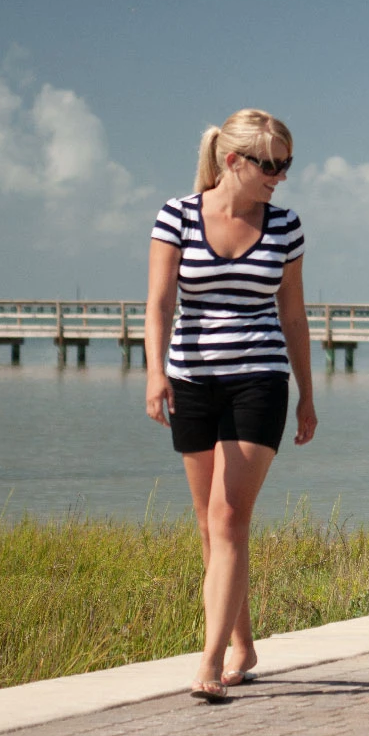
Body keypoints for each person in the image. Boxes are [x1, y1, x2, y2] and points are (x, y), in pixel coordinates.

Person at [145, 108, 317, 703]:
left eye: (287, 165)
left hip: (260, 380)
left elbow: (293, 316)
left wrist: (308, 397)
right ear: (232, 161)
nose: (281, 176)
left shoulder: (286, 226)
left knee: (228, 520)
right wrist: (154, 373)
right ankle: (244, 643)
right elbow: (160, 303)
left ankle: (211, 661)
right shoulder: (178, 216)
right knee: (209, 526)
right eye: (271, 165)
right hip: (191, 380)